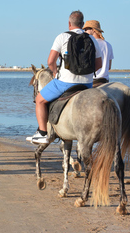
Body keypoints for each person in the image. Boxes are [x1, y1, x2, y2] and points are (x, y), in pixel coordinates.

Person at [27, 11, 102, 144]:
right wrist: (86, 75)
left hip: (65, 82)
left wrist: (56, 72)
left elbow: (50, 61)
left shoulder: (62, 37)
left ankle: (42, 133)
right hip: (87, 84)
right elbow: (99, 64)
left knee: (39, 100)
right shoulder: (92, 39)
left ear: (69, 24)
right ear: (82, 24)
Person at [83, 20, 114, 87]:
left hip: (93, 80)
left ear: (93, 30)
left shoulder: (90, 44)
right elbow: (109, 67)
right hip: (105, 80)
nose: (84, 32)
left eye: (86, 29)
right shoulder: (108, 45)